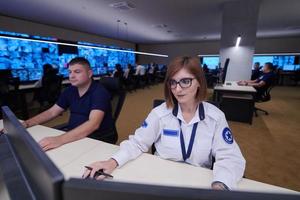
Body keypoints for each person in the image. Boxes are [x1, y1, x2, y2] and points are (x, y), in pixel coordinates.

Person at [83, 56, 246, 190]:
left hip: (199, 181)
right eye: (173, 82)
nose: (178, 89)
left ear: (198, 82)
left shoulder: (215, 117)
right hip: (161, 180)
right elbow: (138, 143)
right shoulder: (160, 113)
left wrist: (220, 185)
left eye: (185, 81)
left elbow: (230, 157)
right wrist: (111, 162)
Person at [22, 57, 115, 151]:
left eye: (77, 72)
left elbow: (93, 124)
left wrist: (59, 139)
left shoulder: (99, 92)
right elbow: (52, 112)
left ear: (89, 73)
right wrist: (26, 123)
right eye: (70, 72)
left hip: (97, 137)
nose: (72, 76)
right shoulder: (70, 90)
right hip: (75, 134)